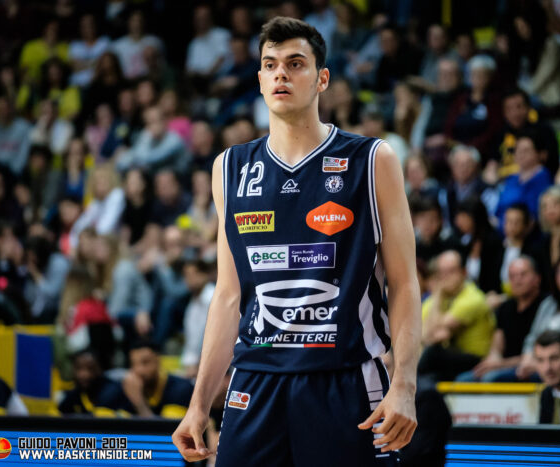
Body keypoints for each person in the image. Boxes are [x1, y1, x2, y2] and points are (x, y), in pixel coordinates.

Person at [172, 18, 420, 466]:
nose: (281, 74)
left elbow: (403, 283)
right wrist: (198, 403)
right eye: (270, 65)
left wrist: (404, 384)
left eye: (295, 63)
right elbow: (228, 296)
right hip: (255, 380)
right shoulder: (229, 168)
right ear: (259, 80)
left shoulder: (371, 160)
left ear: (322, 79)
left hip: (343, 379)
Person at [457, 256, 544, 382]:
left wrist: (500, 364)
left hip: (529, 366)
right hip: (503, 365)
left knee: (490, 378)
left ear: (537, 278)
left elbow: (539, 354)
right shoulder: (506, 307)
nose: (517, 280)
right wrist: (493, 360)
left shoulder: (545, 306)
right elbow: (497, 345)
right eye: (512, 276)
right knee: (463, 380)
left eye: (523, 274)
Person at [419, 250, 495, 381]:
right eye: (441, 272)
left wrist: (438, 293)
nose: (445, 277)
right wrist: (438, 295)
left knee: (432, 354)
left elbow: (435, 337)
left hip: (475, 360)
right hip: (450, 360)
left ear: (464, 272)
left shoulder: (473, 298)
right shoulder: (436, 299)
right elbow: (423, 335)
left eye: (451, 271)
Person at [123, 340, 193, 418]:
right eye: (133, 364)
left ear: (158, 360)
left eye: (145, 362)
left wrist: (139, 404)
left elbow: (166, 425)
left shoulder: (181, 389)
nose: (139, 370)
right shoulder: (126, 389)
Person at [58, 348, 130, 417]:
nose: (83, 374)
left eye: (90, 368)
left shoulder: (115, 392)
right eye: (78, 368)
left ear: (101, 369)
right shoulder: (75, 394)